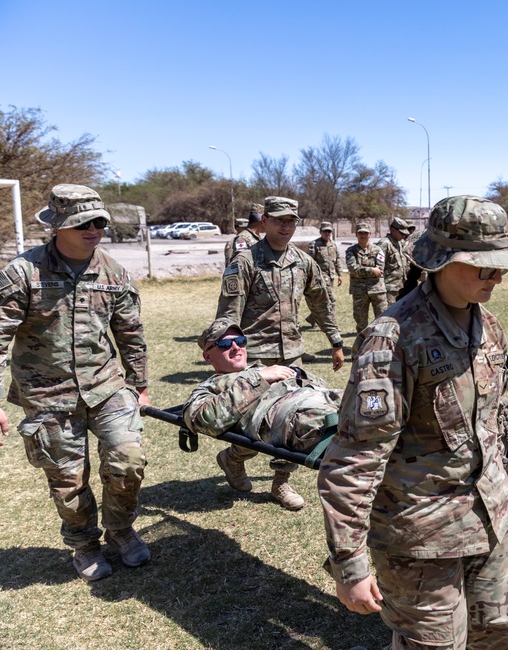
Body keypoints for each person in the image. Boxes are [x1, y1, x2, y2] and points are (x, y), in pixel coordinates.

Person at [318, 195, 508, 649]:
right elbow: (355, 459)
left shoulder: (489, 326)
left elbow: (487, 425)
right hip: (420, 538)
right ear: (442, 260)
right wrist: (349, 564)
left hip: (489, 522)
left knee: (498, 638)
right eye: (483, 266)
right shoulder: (393, 337)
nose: (496, 276)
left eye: (500, 266)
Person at [0, 184, 151, 582]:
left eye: (100, 221)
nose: (94, 229)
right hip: (47, 394)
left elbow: (130, 333)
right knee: (68, 480)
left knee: (127, 460)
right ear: (58, 227)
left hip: (106, 386)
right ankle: (84, 545)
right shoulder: (23, 272)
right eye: (84, 222)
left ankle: (121, 530)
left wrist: (139, 384)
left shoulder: (115, 273)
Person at [215, 195, 344, 510]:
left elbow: (321, 302)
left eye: (291, 221)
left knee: (295, 423)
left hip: (292, 356)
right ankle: (233, 457)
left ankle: (280, 484)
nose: (285, 226)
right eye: (279, 220)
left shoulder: (303, 261)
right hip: (255, 359)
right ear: (265, 222)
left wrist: (335, 340)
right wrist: (226, 354)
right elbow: (228, 315)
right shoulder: (245, 261)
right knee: (257, 425)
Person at [183, 319, 341, 456]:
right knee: (345, 430)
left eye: (240, 341)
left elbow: (321, 385)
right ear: (207, 356)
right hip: (299, 417)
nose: (236, 347)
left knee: (364, 403)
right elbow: (204, 419)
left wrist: (298, 374)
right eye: (224, 344)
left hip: (323, 398)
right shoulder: (210, 387)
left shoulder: (262, 369)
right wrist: (259, 379)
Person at [344, 222, 386, 334]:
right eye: (360, 233)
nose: (363, 235)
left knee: (382, 320)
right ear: (356, 235)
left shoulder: (378, 250)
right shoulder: (351, 251)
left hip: (377, 290)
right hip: (359, 292)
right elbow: (352, 268)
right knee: (361, 322)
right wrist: (372, 270)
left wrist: (360, 271)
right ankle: (362, 347)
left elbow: (380, 269)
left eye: (365, 233)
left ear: (370, 234)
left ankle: (380, 346)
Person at [306, 221, 344, 328]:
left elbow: (337, 261)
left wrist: (340, 274)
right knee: (331, 300)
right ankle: (332, 324)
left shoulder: (333, 245)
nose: (327, 233)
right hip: (321, 277)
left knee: (323, 300)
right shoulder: (314, 245)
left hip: (331, 276)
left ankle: (312, 318)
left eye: (329, 231)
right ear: (320, 232)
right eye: (325, 231)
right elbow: (310, 261)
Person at [376, 215, 415, 306]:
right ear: (393, 230)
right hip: (389, 289)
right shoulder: (384, 244)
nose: (404, 235)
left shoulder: (400, 243)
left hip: (401, 286)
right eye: (401, 233)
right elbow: (378, 268)